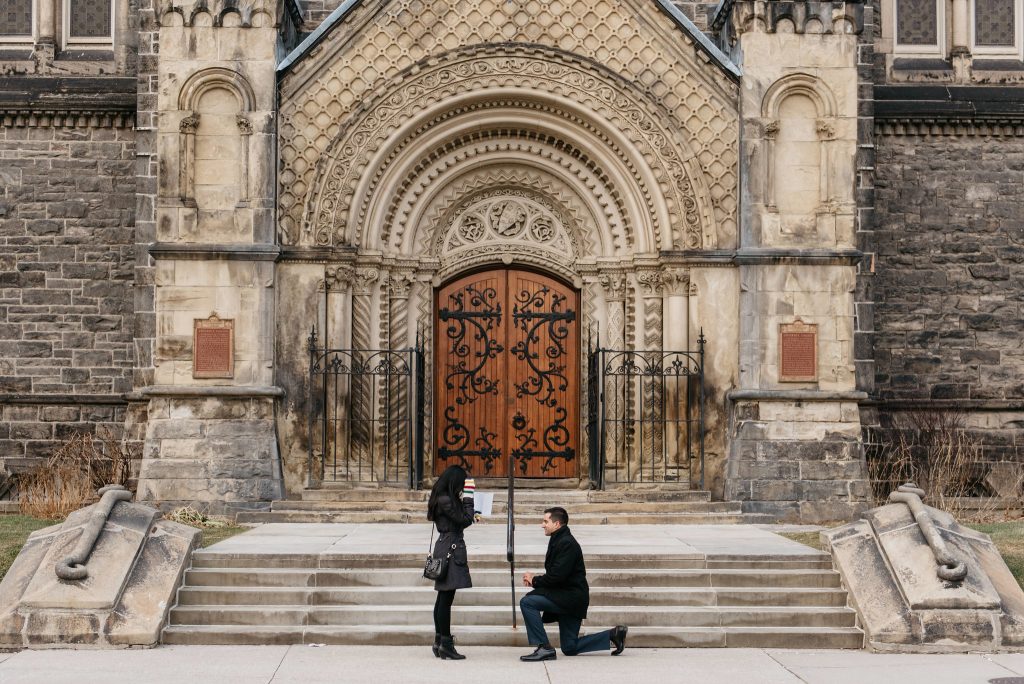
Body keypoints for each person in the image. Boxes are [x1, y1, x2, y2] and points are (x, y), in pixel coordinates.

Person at [519, 507, 627, 661]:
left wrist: (534, 580)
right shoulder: (559, 539)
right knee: (570, 647)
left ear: (557, 524)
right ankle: (613, 635)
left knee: (528, 602)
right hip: (567, 597)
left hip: (570, 598)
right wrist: (535, 580)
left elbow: (557, 576)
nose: (542, 525)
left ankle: (544, 647)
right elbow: (557, 575)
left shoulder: (567, 543)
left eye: (545, 521)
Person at [427, 465, 476, 660]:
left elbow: (458, 520)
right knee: (445, 600)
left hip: (446, 544)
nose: (463, 486)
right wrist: (469, 499)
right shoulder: (446, 499)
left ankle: (440, 641)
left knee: (442, 598)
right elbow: (464, 519)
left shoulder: (443, 497)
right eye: (462, 482)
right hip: (450, 548)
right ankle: (445, 643)